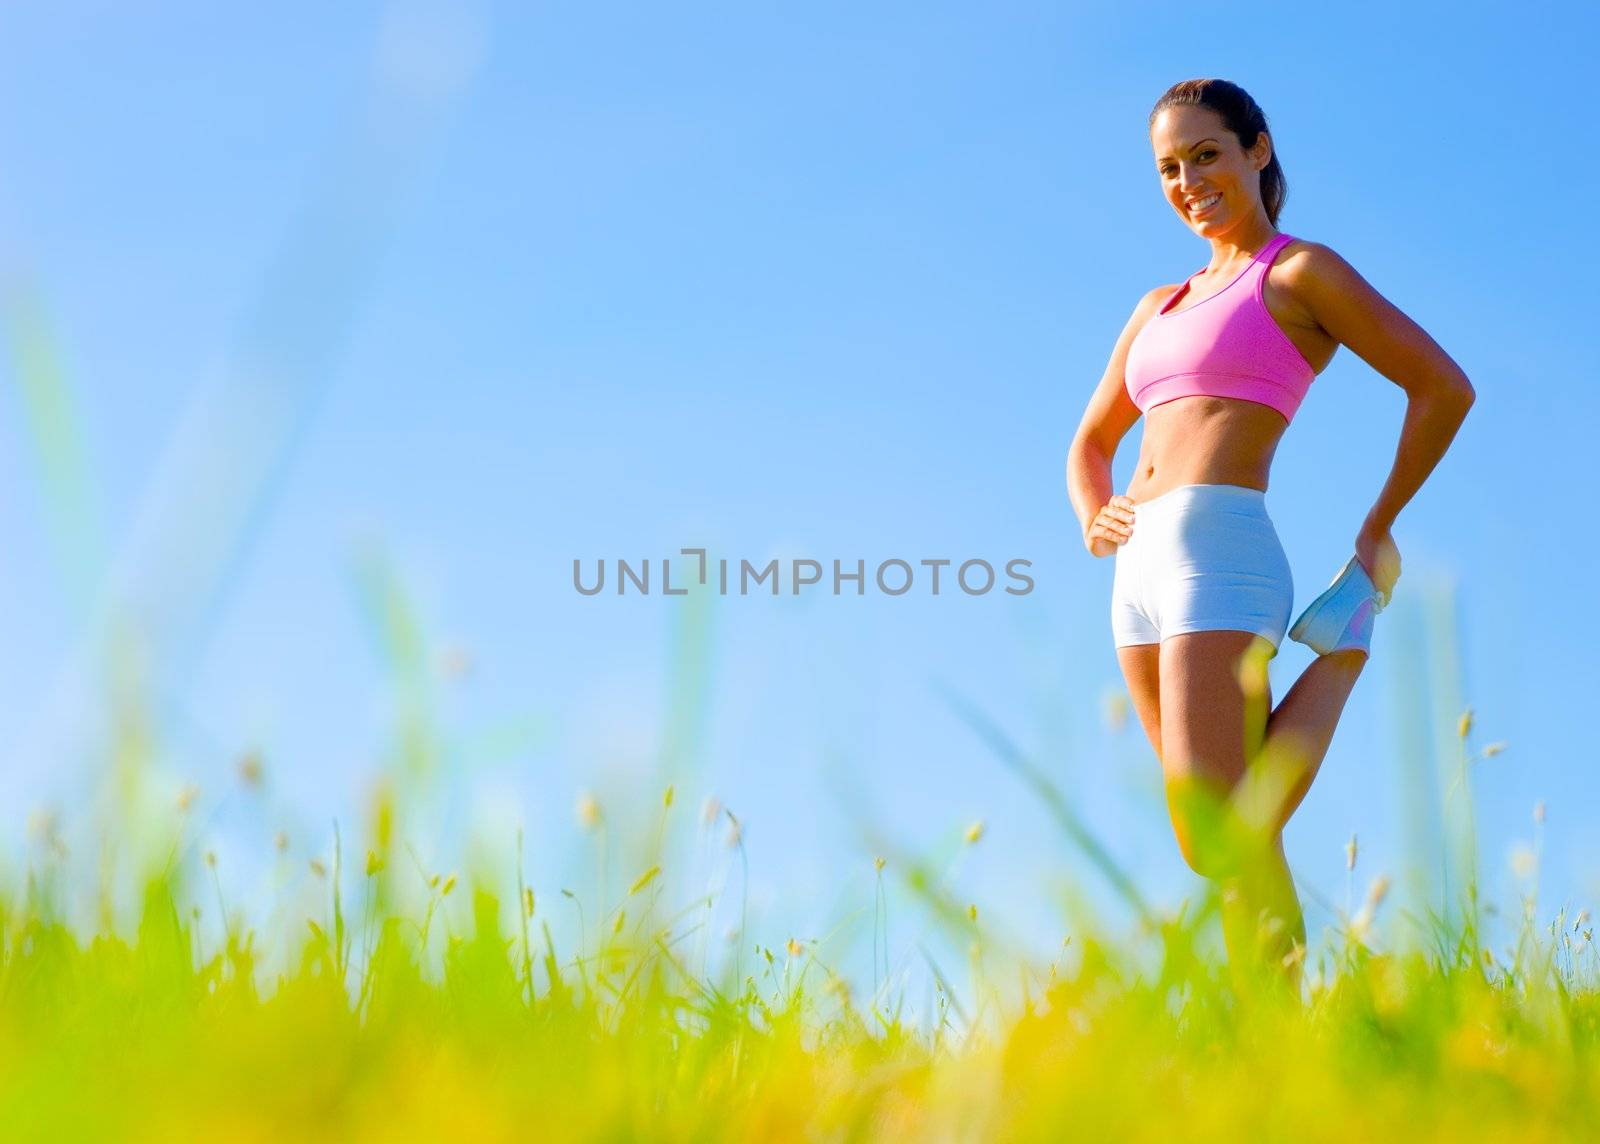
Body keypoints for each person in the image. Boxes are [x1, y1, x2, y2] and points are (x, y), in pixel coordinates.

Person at [1065, 78, 1475, 990]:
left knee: (1221, 833)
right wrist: (1095, 514)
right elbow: (1090, 444)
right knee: (1222, 847)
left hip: (1221, 551)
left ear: (1257, 149)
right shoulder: (1155, 306)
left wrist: (1378, 525)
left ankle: (1343, 649)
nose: (1187, 180)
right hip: (1135, 574)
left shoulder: (1297, 274)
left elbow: (1441, 386)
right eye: (1169, 167)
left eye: (1206, 154)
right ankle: (1276, 1039)